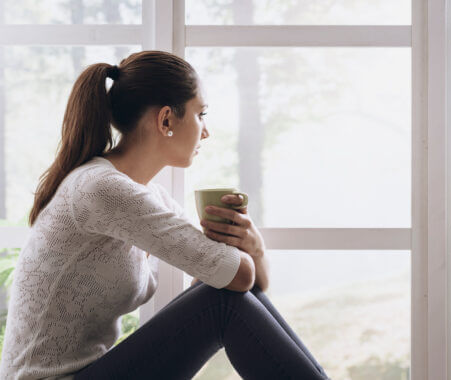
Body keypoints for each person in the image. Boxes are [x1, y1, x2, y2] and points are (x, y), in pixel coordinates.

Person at [0, 50, 329, 380]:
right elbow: (236, 280)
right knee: (222, 304)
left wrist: (253, 248)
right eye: (201, 114)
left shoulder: (148, 197)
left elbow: (245, 283)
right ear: (166, 120)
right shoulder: (100, 188)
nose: (206, 132)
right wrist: (238, 260)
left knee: (224, 297)